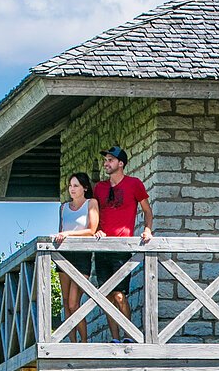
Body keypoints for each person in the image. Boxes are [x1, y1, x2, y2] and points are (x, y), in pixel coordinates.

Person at [92, 145, 154, 337]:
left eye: (110, 160)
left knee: (119, 295)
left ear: (121, 163)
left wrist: (147, 230)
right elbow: (92, 214)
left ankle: (129, 337)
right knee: (107, 296)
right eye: (105, 160)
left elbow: (147, 211)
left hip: (121, 246)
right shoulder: (99, 188)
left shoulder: (134, 184)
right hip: (102, 247)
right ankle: (116, 339)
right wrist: (96, 230)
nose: (106, 163)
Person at [55, 171, 99, 343]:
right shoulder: (63, 208)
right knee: (66, 302)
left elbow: (92, 230)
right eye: (70, 186)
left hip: (81, 256)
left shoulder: (91, 203)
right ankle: (72, 342)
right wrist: (62, 235)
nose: (72, 189)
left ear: (85, 188)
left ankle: (84, 341)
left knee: (74, 302)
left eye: (76, 186)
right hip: (64, 255)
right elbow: (60, 229)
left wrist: (68, 234)